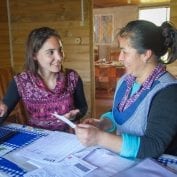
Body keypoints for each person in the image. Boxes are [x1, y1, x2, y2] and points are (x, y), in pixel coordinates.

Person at [75, 20, 177, 159]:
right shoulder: (126, 81)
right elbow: (121, 112)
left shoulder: (168, 92)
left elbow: (153, 146)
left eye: (125, 52)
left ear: (146, 54)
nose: (120, 57)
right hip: (123, 162)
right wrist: (103, 124)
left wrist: (99, 138)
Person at [0, 27, 88, 132]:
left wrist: (75, 115)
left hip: (68, 138)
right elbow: (3, 113)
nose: (59, 57)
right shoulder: (21, 82)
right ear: (34, 55)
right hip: (38, 140)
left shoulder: (72, 77)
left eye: (60, 50)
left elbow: (83, 108)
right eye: (50, 52)